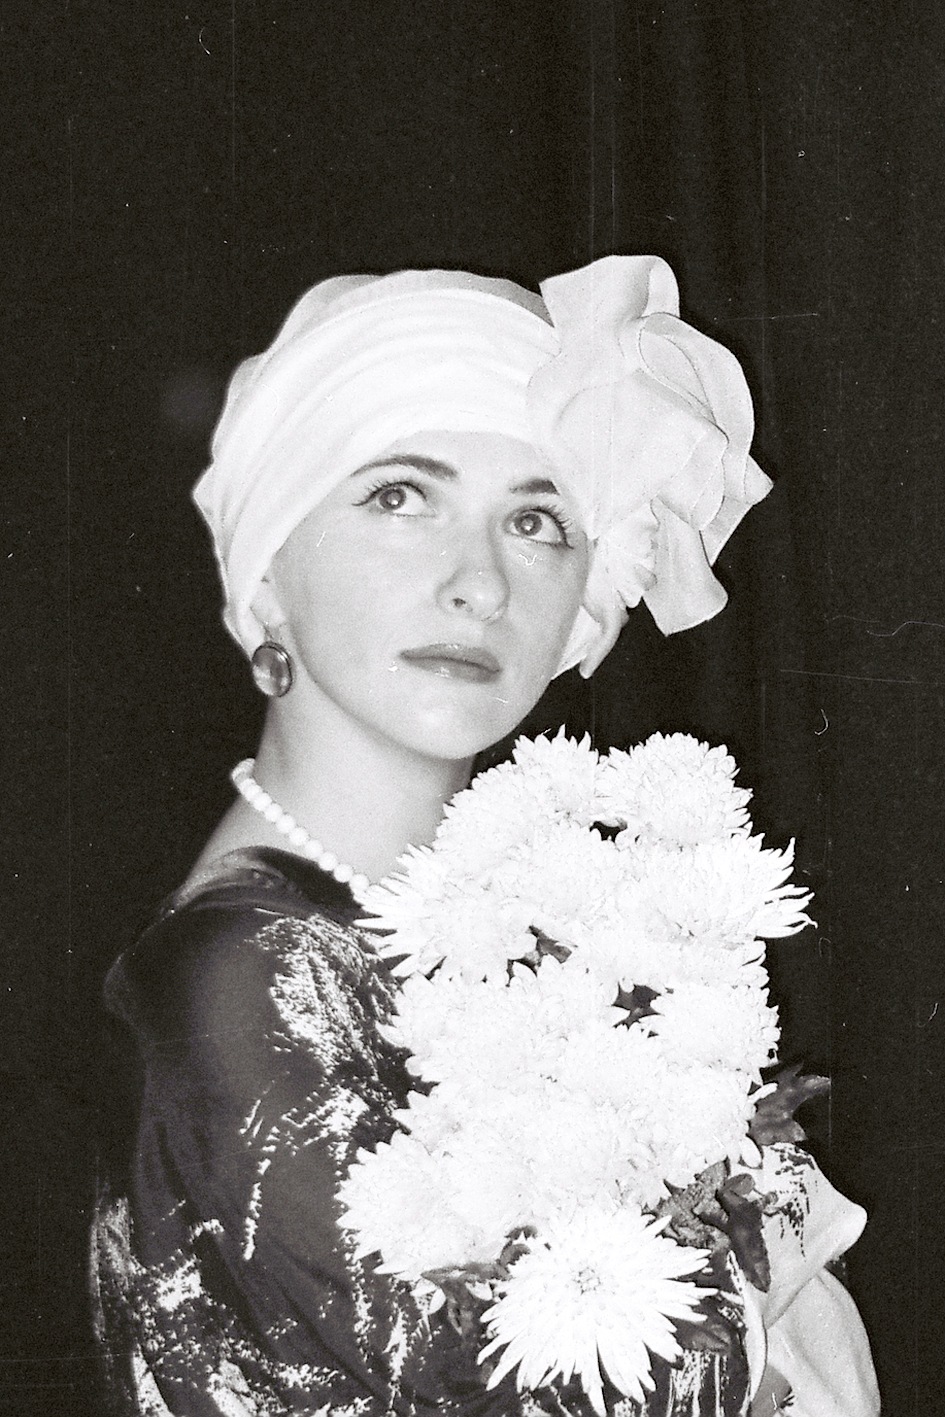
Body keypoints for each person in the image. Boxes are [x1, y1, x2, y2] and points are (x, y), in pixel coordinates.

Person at [91, 256, 878, 1417]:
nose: (481, 583)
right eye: (399, 497)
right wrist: (768, 1260)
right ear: (266, 579)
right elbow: (555, 1388)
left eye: (536, 520)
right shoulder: (235, 973)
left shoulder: (527, 922)